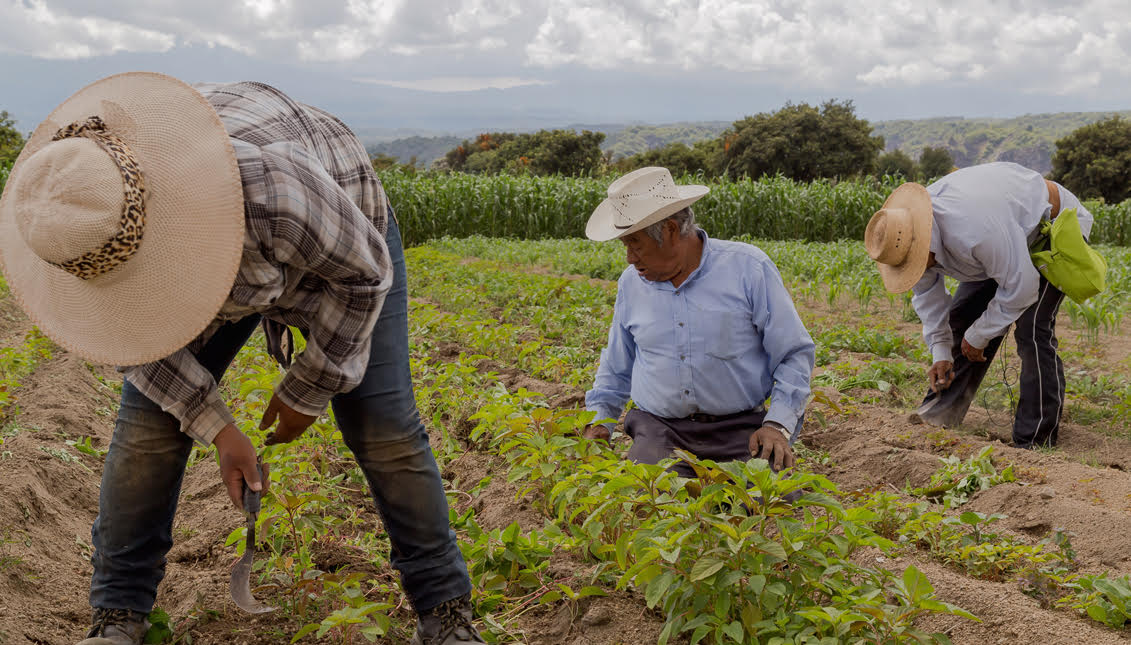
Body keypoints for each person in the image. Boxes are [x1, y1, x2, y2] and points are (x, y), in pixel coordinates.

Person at [0, 73, 483, 645]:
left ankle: (445, 610)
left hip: (339, 238)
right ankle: (117, 615)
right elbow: (136, 351)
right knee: (148, 433)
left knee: (383, 426)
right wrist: (220, 428)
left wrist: (311, 387)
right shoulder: (81, 236)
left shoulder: (268, 188)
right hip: (234, 252)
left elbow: (362, 276)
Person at [580, 166, 816, 475]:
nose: (629, 257)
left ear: (670, 230)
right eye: (625, 245)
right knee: (656, 499)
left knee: (766, 505)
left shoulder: (748, 269)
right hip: (661, 432)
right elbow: (615, 367)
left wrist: (776, 424)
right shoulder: (631, 284)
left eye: (635, 242)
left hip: (741, 431)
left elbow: (793, 353)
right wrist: (599, 423)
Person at [864, 161, 1094, 449]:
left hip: (1052, 228)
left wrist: (980, 335)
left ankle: (1035, 440)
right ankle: (939, 414)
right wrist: (941, 353)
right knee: (960, 319)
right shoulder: (908, 238)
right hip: (1005, 239)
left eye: (916, 262)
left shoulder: (973, 231)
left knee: (1032, 330)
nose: (916, 268)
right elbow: (928, 298)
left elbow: (1021, 289)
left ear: (923, 243)